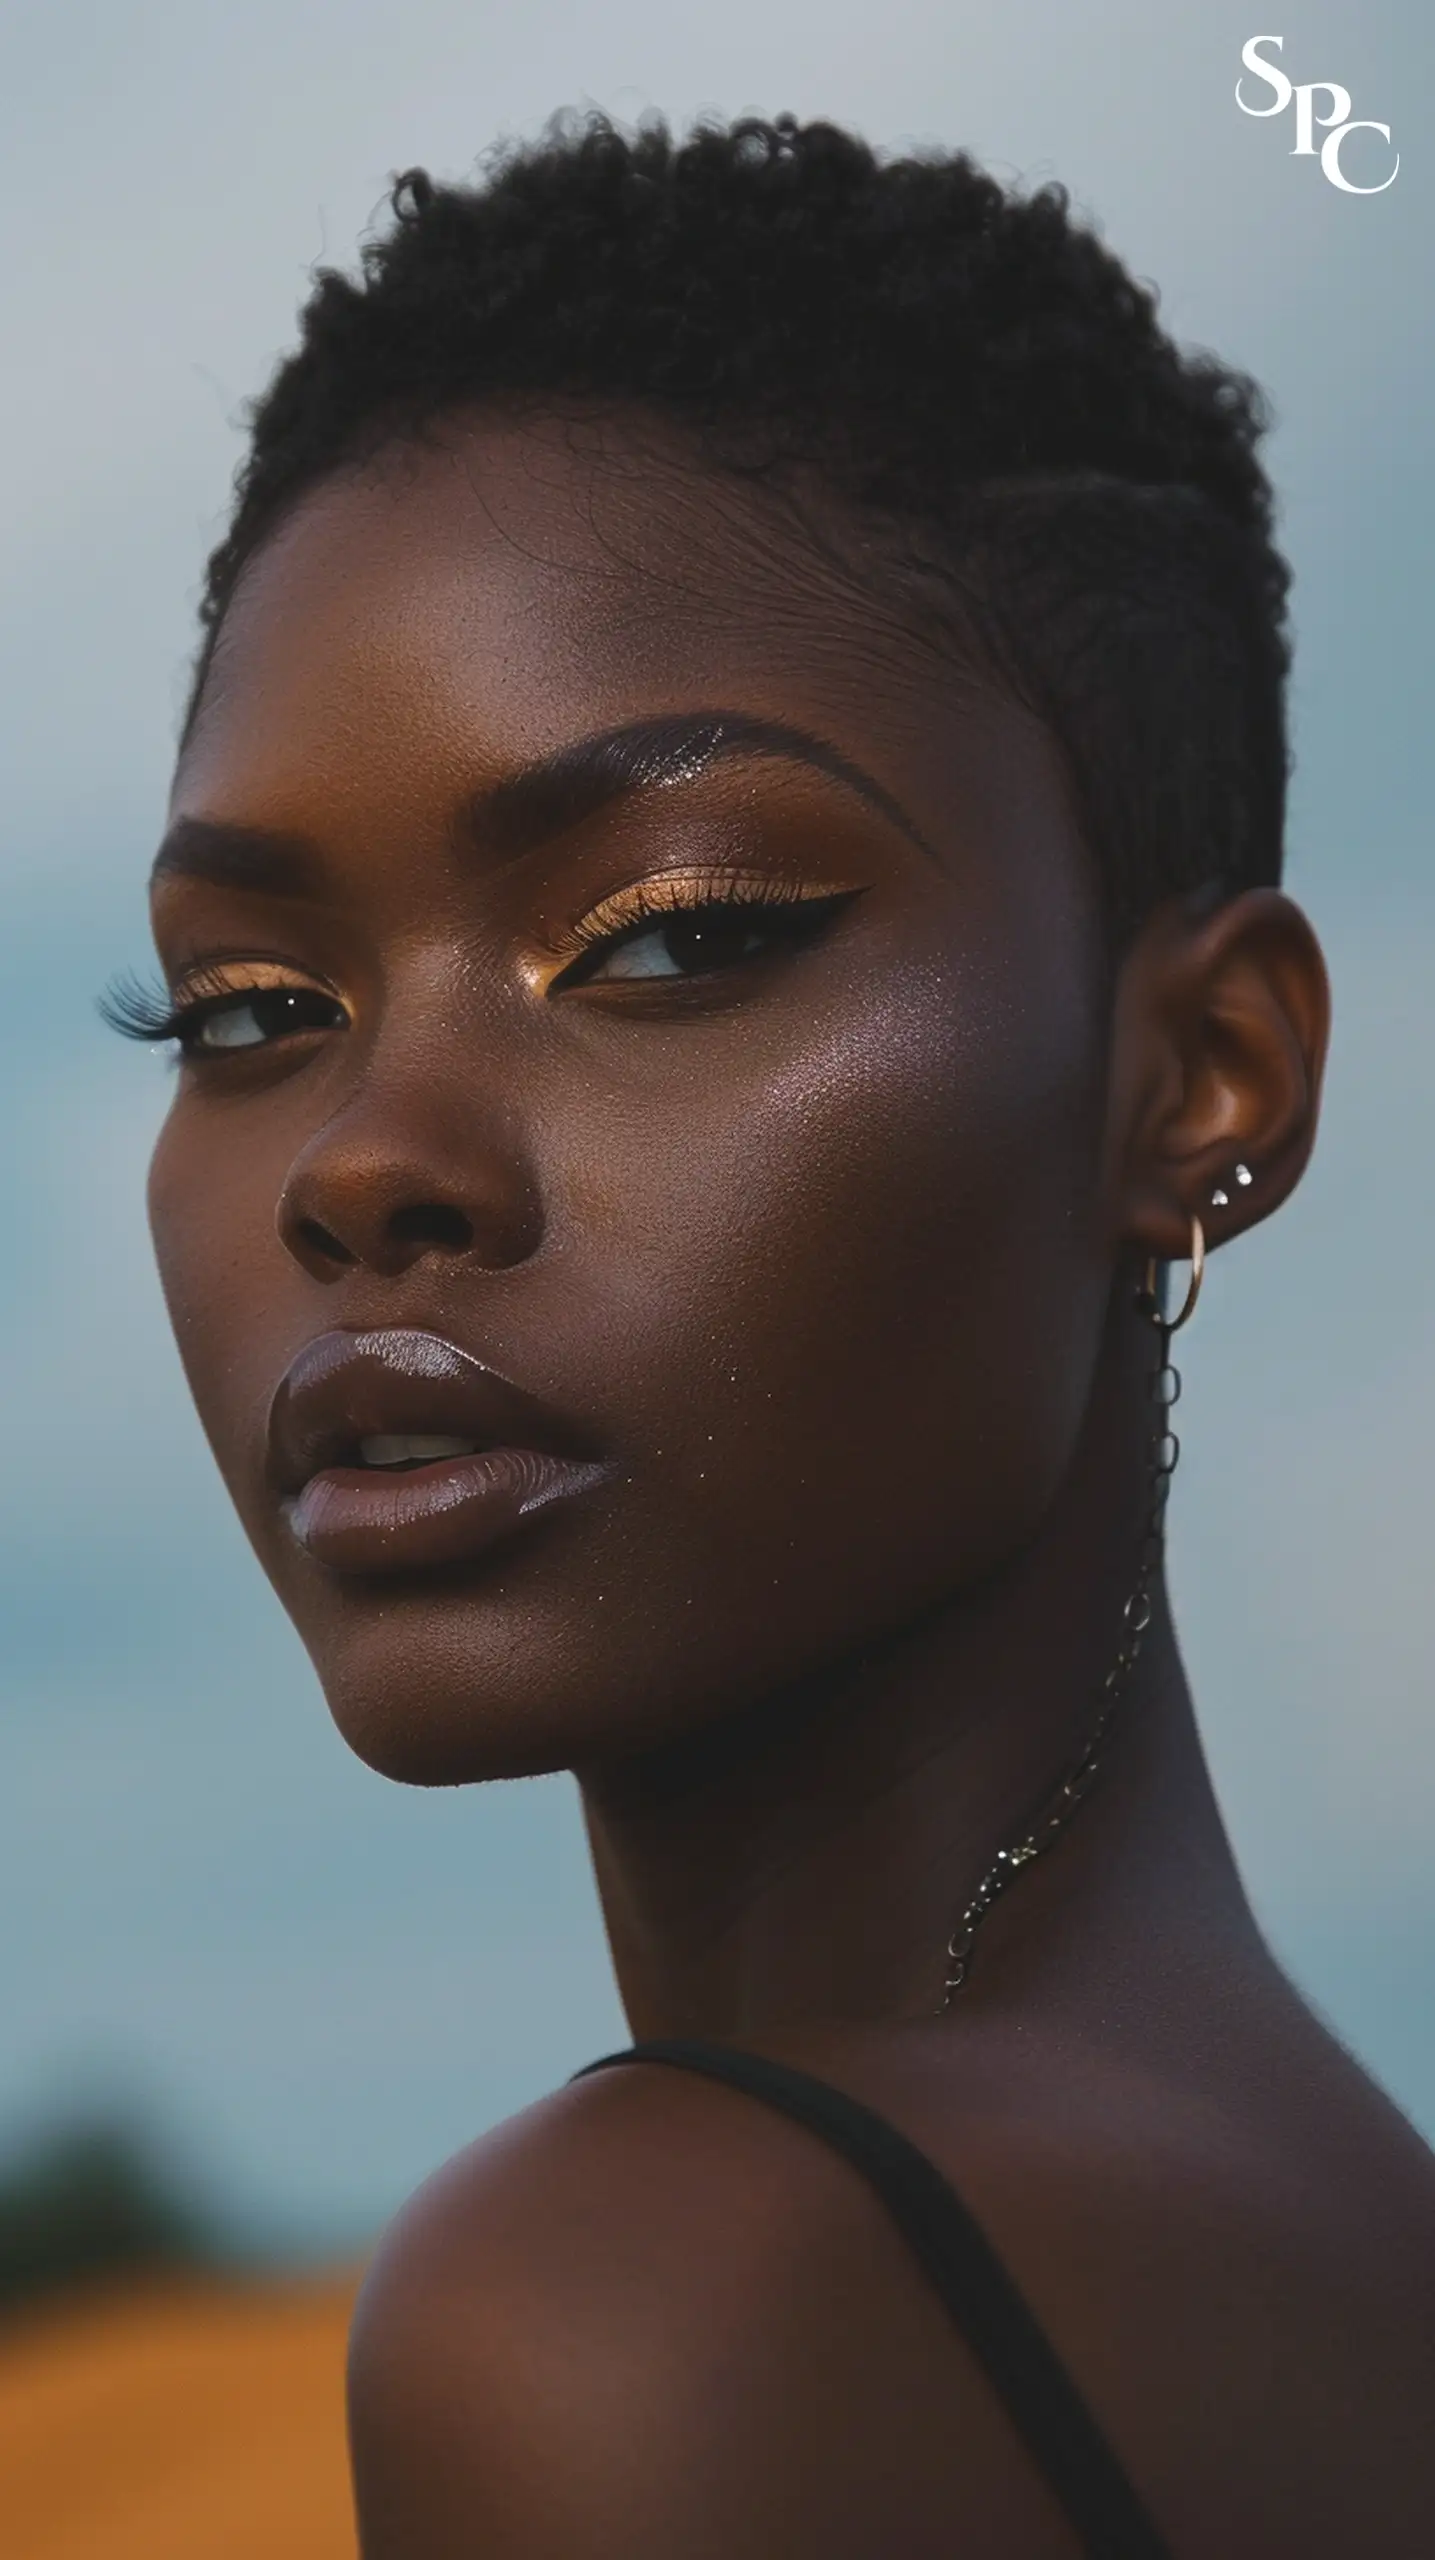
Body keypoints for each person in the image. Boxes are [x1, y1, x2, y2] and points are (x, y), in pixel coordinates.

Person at [108, 112, 1435, 2555]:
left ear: (1203, 1076)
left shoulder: (662, 2303)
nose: (362, 1156)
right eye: (245, 1004)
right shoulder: (1356, 2241)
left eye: (675, 931)